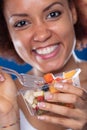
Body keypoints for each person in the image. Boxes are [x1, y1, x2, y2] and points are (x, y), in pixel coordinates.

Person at [0, 0, 87, 130]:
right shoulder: (4, 99)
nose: (42, 35)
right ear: (8, 32)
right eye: (22, 23)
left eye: (53, 14)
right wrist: (8, 121)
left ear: (73, 12)